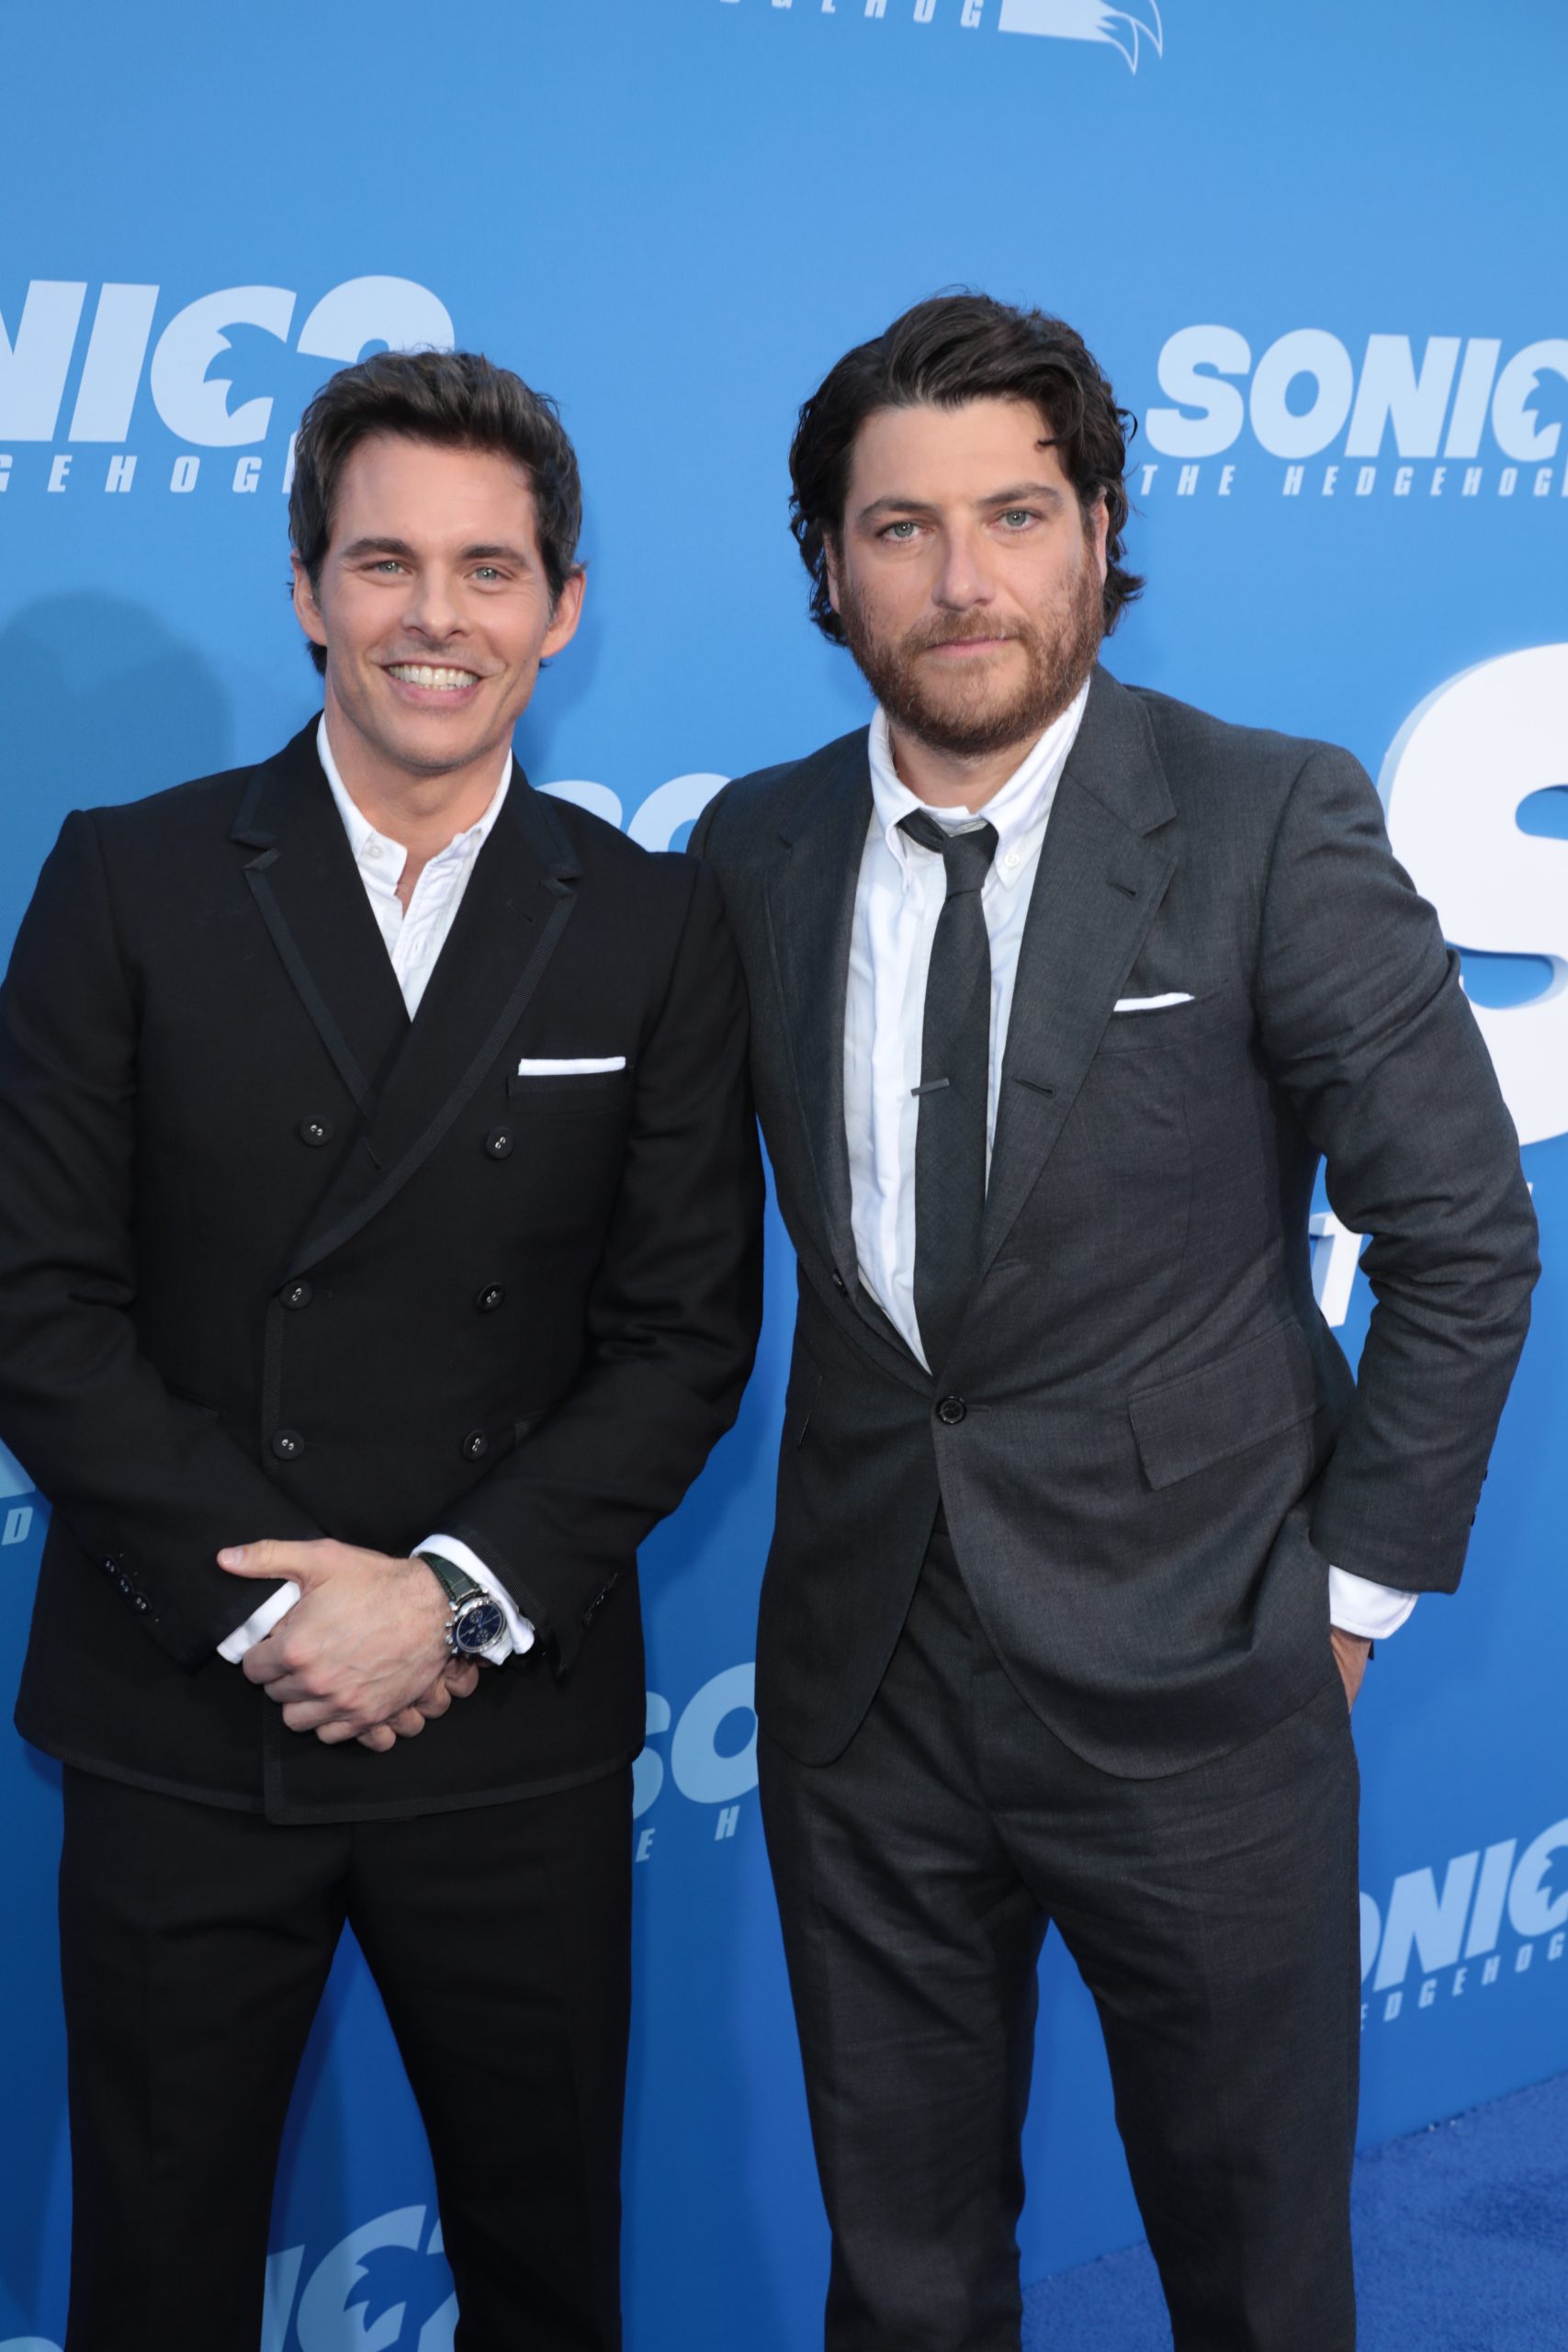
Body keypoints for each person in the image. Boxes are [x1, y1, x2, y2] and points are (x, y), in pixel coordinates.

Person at [689, 293, 1538, 2352]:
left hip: (1207, 1671)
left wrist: (1340, 1603)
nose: (960, 580)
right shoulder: (751, 849)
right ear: (828, 565)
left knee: (1253, 2278)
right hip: (865, 1684)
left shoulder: (1261, 817)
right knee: (902, 2278)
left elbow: (1459, 1233)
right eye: (899, 526)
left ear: (1098, 530)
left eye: (1013, 513)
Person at [0, 347, 761, 2352]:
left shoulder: (653, 922)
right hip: (186, 1710)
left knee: (543, 2265)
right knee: (155, 2280)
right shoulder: (129, 876)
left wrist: (442, 1601)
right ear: (306, 589)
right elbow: (35, 1300)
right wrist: (281, 1613)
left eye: (490, 569)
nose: (439, 615)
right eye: (385, 562)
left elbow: (684, 1333)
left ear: (561, 607)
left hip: (503, 1718)